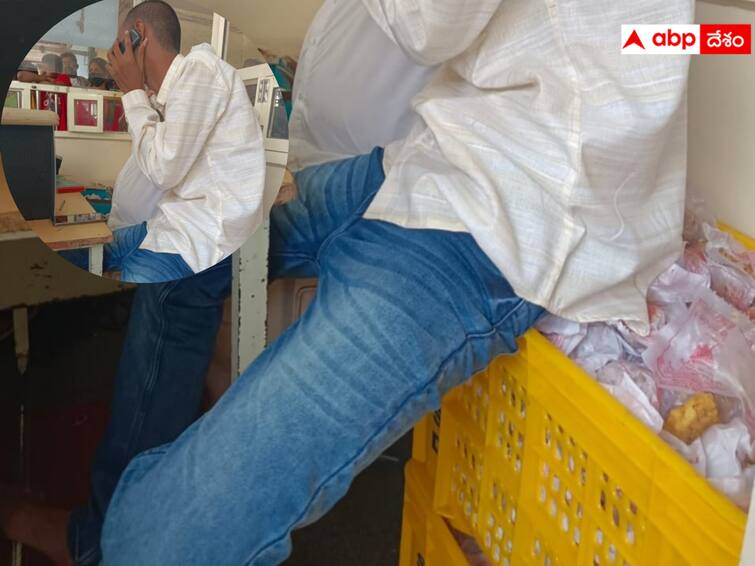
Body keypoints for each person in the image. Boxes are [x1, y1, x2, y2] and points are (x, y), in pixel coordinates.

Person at [1, 1, 693, 565]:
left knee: (152, 548)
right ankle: (105, 520)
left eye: (125, 48)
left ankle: (123, 527)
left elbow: (429, 23)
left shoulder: (195, 78)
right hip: (427, 158)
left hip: (506, 213)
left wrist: (131, 101)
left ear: (136, 39)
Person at [62, 0, 267, 284]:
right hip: (168, 224)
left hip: (202, 238)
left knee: (143, 286)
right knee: (74, 251)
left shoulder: (199, 70)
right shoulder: (169, 96)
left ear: (138, 33)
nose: (115, 58)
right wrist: (142, 99)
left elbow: (163, 169)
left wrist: (133, 92)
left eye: (121, 44)